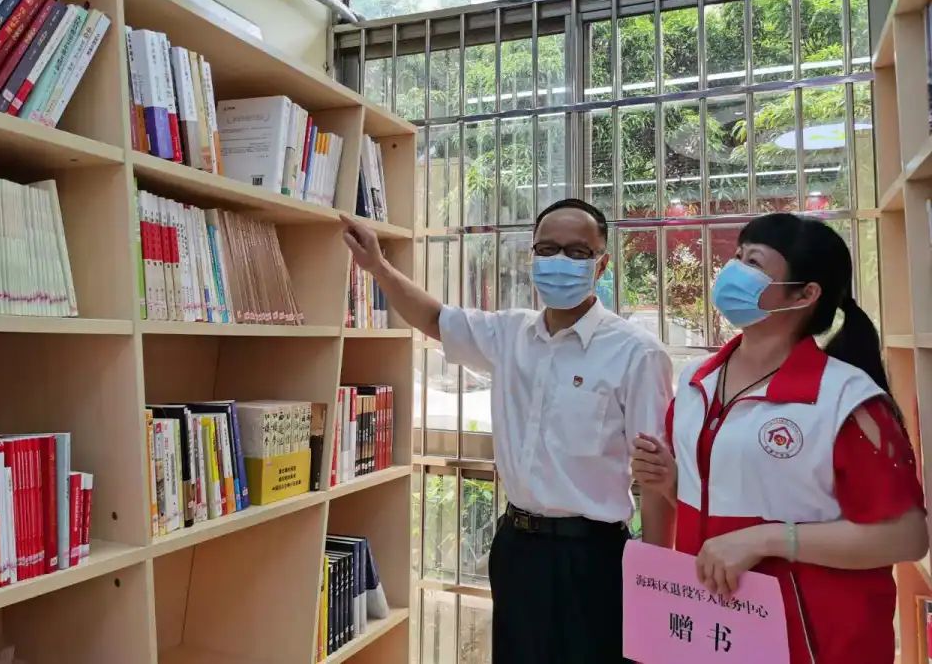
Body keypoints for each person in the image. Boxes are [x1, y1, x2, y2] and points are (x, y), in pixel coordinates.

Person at [342, 198, 675, 664]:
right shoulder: (509, 334)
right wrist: (377, 266)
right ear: (532, 257)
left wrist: (657, 582)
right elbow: (434, 318)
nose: (560, 261)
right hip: (518, 548)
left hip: (593, 557)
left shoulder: (637, 352)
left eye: (578, 252)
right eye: (548, 249)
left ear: (601, 264)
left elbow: (656, 480)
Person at [632, 212, 928, 664]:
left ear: (806, 294)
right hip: (716, 633)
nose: (732, 272)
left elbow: (906, 537)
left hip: (817, 641)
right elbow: (735, 500)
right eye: (737, 257)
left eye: (753, 262)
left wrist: (768, 540)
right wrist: (672, 483)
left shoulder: (845, 398)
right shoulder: (696, 383)